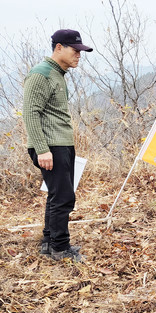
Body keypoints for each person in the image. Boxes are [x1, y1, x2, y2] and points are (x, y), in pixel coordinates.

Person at [23, 29, 93, 262]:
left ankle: (48, 243)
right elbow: (31, 114)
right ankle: (60, 249)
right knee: (63, 198)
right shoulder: (41, 74)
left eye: (80, 51)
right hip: (50, 146)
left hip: (60, 144)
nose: (79, 55)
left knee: (57, 196)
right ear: (59, 48)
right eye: (75, 50)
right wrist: (42, 149)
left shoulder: (56, 74)